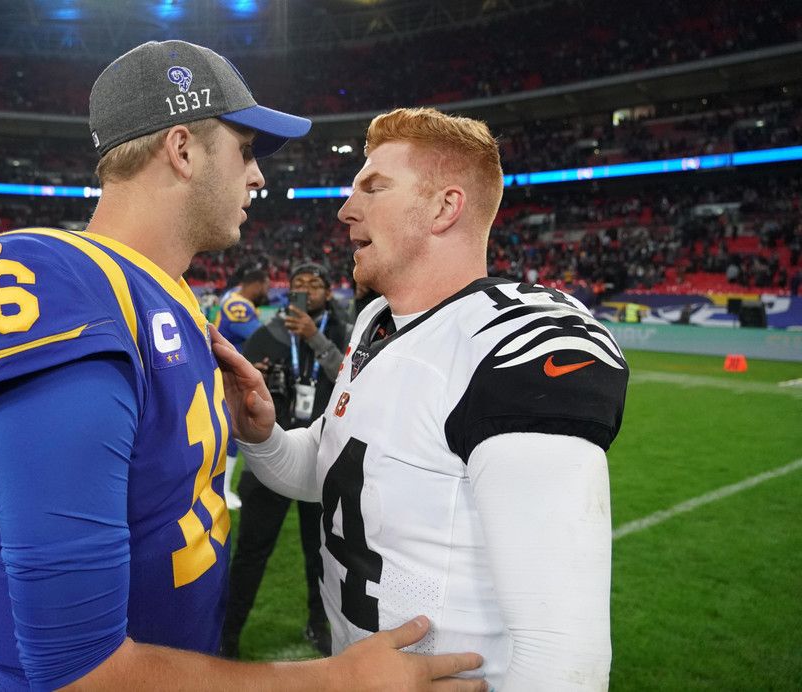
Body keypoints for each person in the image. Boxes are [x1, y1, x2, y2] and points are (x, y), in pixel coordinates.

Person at [0, 42, 485, 691]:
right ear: (183, 150)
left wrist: (260, 435)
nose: (258, 177)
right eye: (245, 150)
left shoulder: (171, 297)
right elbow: (80, 671)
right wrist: (336, 682)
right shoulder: (63, 286)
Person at [215, 107, 629, 691]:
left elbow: (566, 655)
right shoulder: (376, 322)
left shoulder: (511, 344)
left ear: (444, 208)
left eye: (373, 188)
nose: (345, 210)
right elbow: (332, 470)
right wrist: (264, 437)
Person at [222, 262, 349, 658]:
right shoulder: (266, 334)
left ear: (329, 292)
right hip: (270, 455)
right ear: (287, 291)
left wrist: (314, 338)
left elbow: (350, 378)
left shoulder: (344, 332)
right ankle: (228, 635)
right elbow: (237, 385)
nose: (306, 290)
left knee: (322, 553)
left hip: (323, 456)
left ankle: (319, 624)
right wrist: (256, 377)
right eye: (299, 284)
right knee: (251, 552)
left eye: (315, 284)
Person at [213, 263, 270, 508]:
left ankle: (222, 489)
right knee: (232, 432)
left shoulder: (233, 295)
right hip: (229, 375)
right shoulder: (239, 305)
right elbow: (259, 336)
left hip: (226, 371)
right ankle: (223, 490)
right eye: (265, 286)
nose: (267, 291)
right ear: (256, 285)